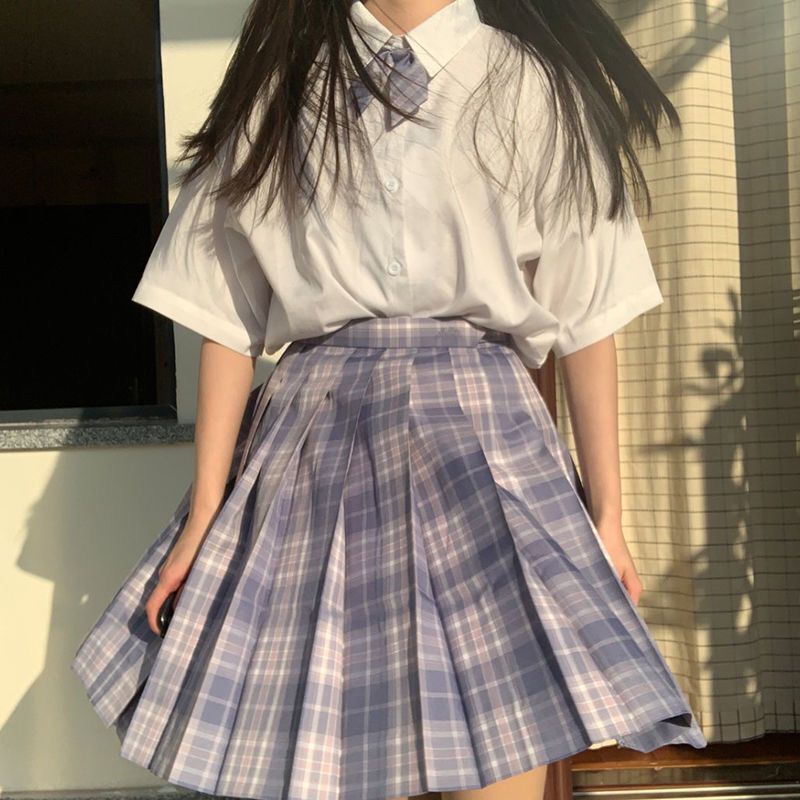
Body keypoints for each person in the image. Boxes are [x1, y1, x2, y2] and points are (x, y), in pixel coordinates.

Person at [70, 1, 708, 799]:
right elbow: (225, 313)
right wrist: (205, 511)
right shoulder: (281, 88)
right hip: (314, 442)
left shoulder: (537, 86)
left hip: (486, 441)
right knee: (323, 745)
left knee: (502, 734)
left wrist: (607, 518)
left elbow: (588, 316)